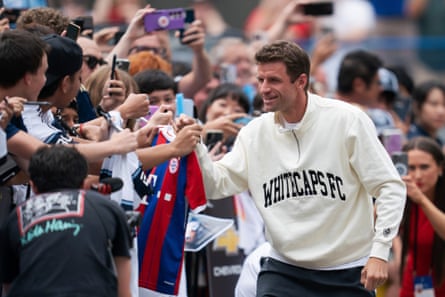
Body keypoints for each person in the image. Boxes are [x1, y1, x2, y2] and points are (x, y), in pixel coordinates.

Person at [189, 40, 406, 296]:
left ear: (301, 81)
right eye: (260, 80)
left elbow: (390, 187)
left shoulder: (347, 120)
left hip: (347, 271)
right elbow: (215, 185)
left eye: (274, 80)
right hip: (284, 269)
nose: (264, 89)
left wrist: (380, 252)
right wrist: (196, 144)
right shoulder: (255, 132)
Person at [0, 145, 133, 297]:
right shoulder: (106, 207)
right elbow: (124, 281)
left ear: (33, 186)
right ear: (84, 182)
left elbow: (9, 285)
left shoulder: (15, 217)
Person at [399, 136, 445, 297]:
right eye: (411, 168)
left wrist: (421, 200)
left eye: (424, 167)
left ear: (440, 168)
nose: (417, 175)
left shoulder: (418, 198)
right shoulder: (404, 198)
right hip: (416, 280)